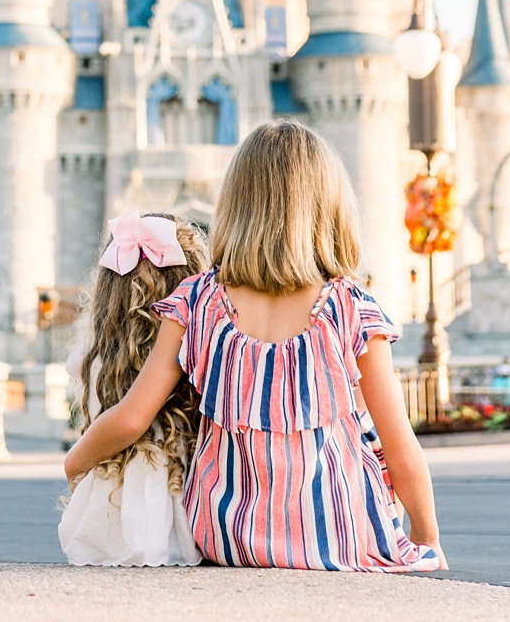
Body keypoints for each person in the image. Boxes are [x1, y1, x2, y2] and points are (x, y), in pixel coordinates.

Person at [64, 121, 446, 572]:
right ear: (329, 209)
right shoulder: (349, 306)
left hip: (227, 534)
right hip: (333, 534)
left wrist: (76, 462)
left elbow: (130, 418)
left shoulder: (197, 301)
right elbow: (400, 446)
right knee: (362, 433)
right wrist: (427, 540)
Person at [57, 210, 208, 567]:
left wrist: (74, 462)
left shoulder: (92, 360)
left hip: (111, 526)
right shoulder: (195, 346)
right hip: (186, 520)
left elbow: (128, 422)